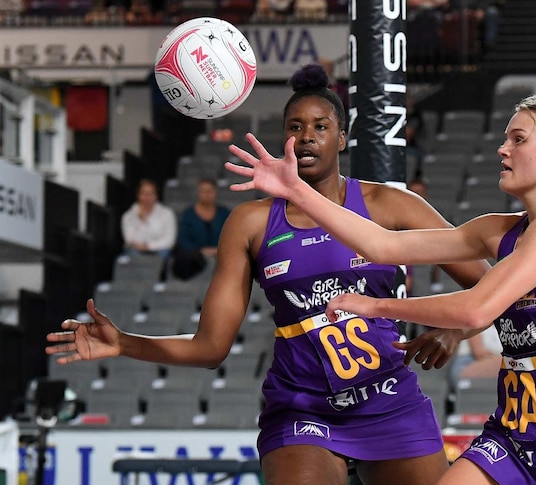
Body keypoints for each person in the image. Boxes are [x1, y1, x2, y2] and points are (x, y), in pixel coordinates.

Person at [46, 64, 492, 485]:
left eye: (321, 126)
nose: (307, 137)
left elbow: (492, 286)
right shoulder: (251, 223)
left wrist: (453, 332)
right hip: (303, 407)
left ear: (342, 138)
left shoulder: (391, 205)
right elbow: (210, 347)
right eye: (295, 127)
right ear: (284, 140)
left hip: (390, 400)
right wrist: (126, 343)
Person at [222, 89, 536, 484]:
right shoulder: (496, 230)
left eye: (518, 138)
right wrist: (295, 189)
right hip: (515, 429)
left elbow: (477, 310)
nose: (503, 149)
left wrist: (377, 307)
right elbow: (382, 244)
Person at [172, 177, 231, 280]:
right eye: (203, 191)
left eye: (209, 191)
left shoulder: (224, 213)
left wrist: (217, 250)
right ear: (198, 193)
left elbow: (232, 236)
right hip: (193, 258)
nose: (206, 194)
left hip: (220, 254)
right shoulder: (188, 214)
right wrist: (200, 251)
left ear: (215, 192)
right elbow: (183, 239)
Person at [120, 178, 177, 260]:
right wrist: (142, 220)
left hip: (159, 249)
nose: (147, 197)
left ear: (156, 196)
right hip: (136, 250)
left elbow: (169, 240)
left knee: (163, 254)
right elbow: (130, 239)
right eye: (144, 194)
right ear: (138, 196)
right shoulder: (128, 216)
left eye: (151, 193)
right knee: (131, 255)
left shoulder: (167, 213)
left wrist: (148, 246)